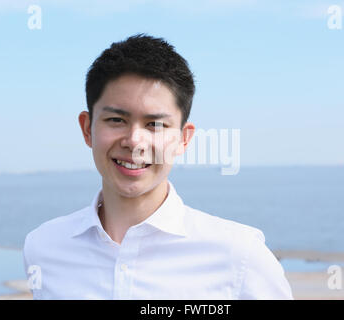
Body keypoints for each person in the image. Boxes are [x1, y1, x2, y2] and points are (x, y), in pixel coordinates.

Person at [23, 33, 293, 300]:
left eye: (155, 124)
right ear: (87, 129)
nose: (134, 141)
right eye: (116, 119)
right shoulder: (43, 248)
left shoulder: (241, 257)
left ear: (182, 139)